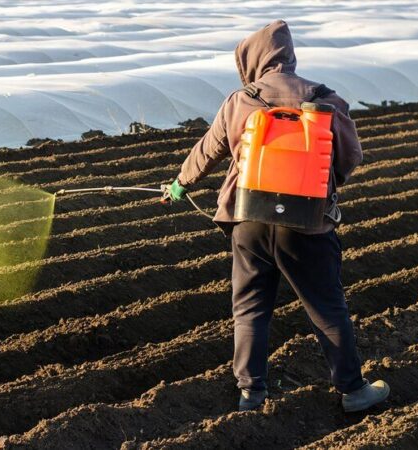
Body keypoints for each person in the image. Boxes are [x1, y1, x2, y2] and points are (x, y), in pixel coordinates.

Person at [166, 20, 389, 412]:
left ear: (252, 60)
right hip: (306, 222)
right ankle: (353, 391)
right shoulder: (325, 99)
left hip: (248, 220)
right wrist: (324, 183)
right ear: (289, 56)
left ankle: (251, 393)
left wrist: (180, 185)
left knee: (250, 309)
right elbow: (351, 155)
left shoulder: (241, 99)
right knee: (326, 307)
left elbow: (208, 149)